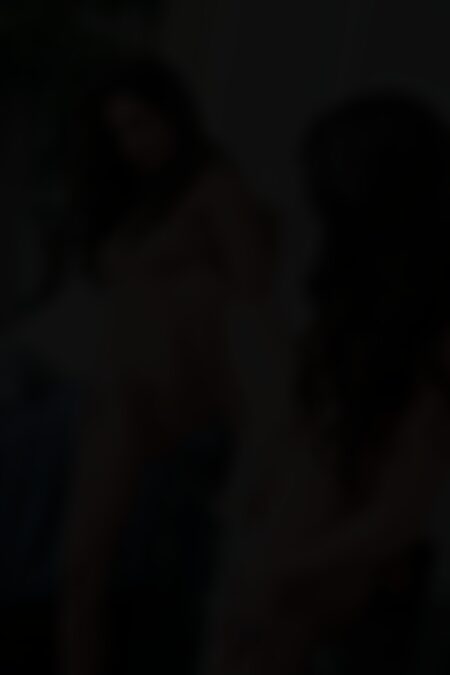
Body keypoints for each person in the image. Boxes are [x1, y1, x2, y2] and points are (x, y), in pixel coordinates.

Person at [203, 89, 450, 675]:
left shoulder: (430, 338)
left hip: (329, 591)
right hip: (288, 574)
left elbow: (397, 515)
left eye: (322, 195)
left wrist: (280, 572)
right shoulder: (348, 316)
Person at [60, 56, 283, 675]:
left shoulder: (217, 189)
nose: (132, 143)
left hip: (185, 393)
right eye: (118, 132)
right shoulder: (141, 202)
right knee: (79, 566)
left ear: (173, 115)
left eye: (141, 124)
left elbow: (253, 301)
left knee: (142, 569)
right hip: (121, 393)